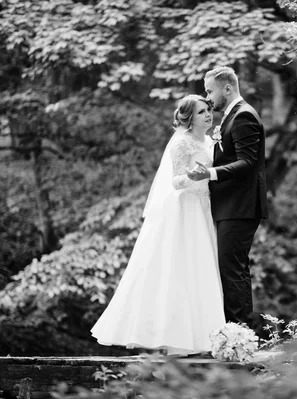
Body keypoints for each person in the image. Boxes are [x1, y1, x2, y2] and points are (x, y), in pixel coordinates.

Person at [91, 94, 225, 356]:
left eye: (208, 109)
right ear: (188, 118)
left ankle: (202, 338)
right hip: (186, 209)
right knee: (180, 270)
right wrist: (192, 176)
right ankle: (171, 341)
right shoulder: (181, 143)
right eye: (200, 112)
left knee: (202, 270)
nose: (208, 114)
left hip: (205, 207)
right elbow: (174, 181)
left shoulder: (211, 140)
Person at [188, 66, 268, 327]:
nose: (208, 98)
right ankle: (238, 333)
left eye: (210, 91)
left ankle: (239, 334)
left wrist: (209, 174)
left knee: (232, 272)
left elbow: (247, 162)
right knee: (233, 270)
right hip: (231, 207)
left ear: (227, 88)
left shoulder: (244, 116)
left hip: (240, 207)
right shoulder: (233, 115)